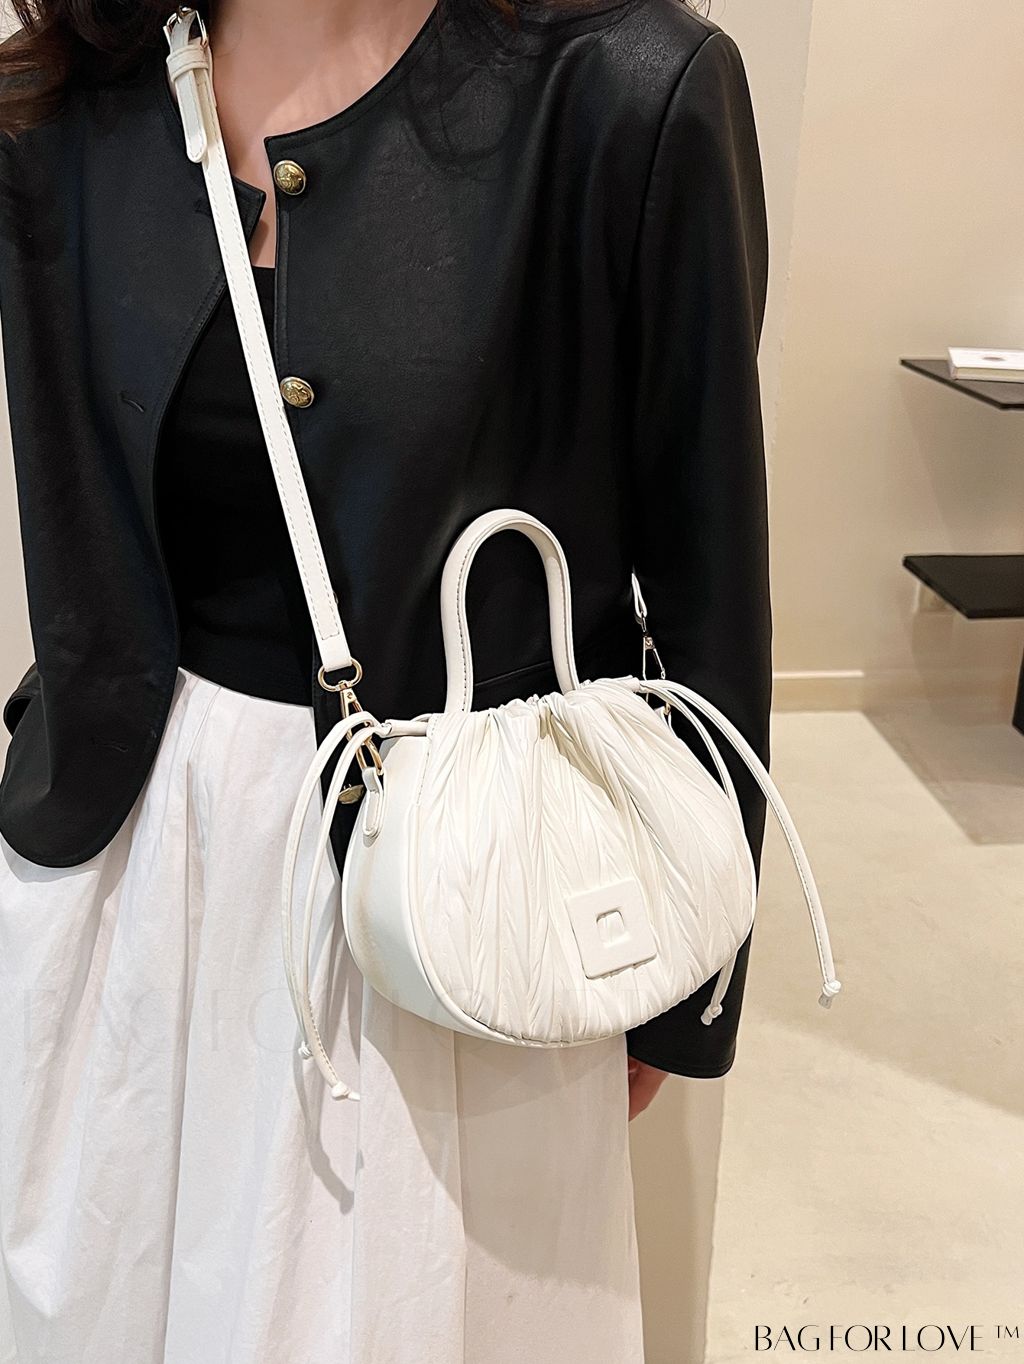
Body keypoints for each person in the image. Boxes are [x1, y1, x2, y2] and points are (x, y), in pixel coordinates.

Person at [0, 0, 771, 1357]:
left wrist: (681, 988)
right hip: (134, 880)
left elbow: (710, 578)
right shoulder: (70, 97)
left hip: (463, 901)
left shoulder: (626, 91)